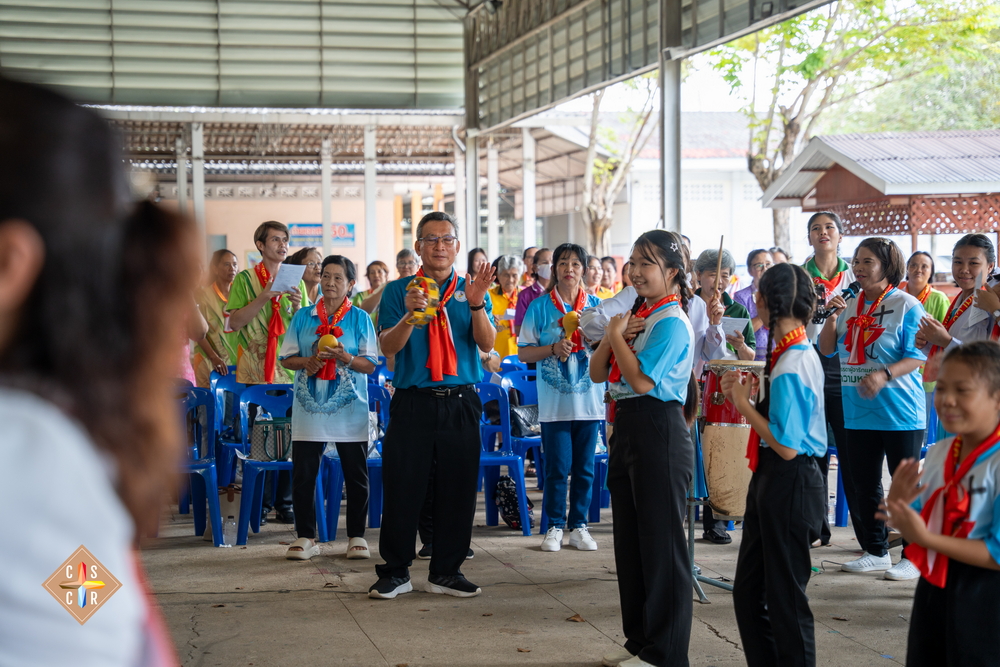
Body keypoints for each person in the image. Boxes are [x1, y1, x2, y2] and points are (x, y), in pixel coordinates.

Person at [0, 76, 193, 665]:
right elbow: (89, 599)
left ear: (6, 263)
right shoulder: (41, 454)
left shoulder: (22, 462)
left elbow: (86, 614)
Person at [369, 212, 496, 600]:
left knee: (458, 488)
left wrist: (477, 304)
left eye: (447, 239)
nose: (439, 246)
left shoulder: (470, 289)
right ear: (418, 247)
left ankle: (446, 571)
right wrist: (411, 315)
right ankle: (395, 572)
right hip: (413, 401)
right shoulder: (399, 290)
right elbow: (387, 348)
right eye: (431, 239)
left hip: (461, 401)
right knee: (403, 486)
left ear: (457, 246)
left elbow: (487, 343)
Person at [590, 230, 698, 667]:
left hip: (659, 427)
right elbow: (598, 373)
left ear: (672, 272)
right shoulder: (639, 314)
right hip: (629, 426)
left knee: (661, 547)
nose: (635, 272)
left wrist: (617, 335)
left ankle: (666, 654)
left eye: (646, 263)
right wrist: (612, 335)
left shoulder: (671, 321)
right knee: (631, 543)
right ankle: (639, 642)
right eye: (632, 262)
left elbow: (639, 380)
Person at [721, 263, 827, 667]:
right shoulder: (788, 352)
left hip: (791, 480)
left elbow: (785, 445)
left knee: (786, 601)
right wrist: (750, 396)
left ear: (763, 300)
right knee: (750, 593)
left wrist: (743, 404)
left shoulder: (793, 361)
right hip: (774, 479)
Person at [879, 341, 1000, 667]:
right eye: (942, 388)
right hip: (935, 587)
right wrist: (899, 507)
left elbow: (996, 554)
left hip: (987, 596)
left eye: (962, 390)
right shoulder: (939, 455)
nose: (947, 400)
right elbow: (919, 526)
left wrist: (926, 537)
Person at [819, 237, 927, 580]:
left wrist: (884, 374)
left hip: (900, 412)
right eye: (856, 261)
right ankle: (876, 551)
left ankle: (914, 555)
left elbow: (917, 356)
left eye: (868, 262)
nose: (859, 268)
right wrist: (832, 317)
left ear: (887, 266)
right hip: (857, 409)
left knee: (904, 485)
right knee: (863, 483)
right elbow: (826, 349)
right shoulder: (850, 303)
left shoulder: (906, 305)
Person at [279, 255, 377, 561]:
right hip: (309, 408)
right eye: (326, 276)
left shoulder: (360, 318)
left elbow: (370, 364)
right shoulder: (303, 317)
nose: (330, 283)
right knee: (304, 474)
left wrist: (346, 358)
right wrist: (307, 362)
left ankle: (356, 536)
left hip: (350, 408)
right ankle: (306, 536)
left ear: (350, 284)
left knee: (356, 474)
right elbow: (287, 359)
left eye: (338, 278)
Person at [518, 243, 606, 552]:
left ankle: (579, 526)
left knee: (585, 469)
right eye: (563, 263)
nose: (569, 269)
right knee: (556, 468)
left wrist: (594, 341)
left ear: (584, 270)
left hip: (590, 402)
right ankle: (554, 526)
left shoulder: (597, 307)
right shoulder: (539, 307)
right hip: (554, 404)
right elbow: (524, 352)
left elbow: (610, 349)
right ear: (554, 269)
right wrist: (553, 349)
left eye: (576, 264)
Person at [226, 221, 307, 525]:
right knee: (260, 440)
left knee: (290, 439)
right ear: (260, 245)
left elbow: (305, 329)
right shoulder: (245, 279)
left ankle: (285, 503)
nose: (283, 245)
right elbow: (234, 322)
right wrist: (265, 295)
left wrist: (297, 307)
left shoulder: (296, 281)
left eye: (285, 240)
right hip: (256, 372)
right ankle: (259, 503)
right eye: (275, 239)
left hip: (288, 371)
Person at [693, 248, 756, 543]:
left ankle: (716, 520)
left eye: (725, 276)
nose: (719, 281)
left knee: (717, 448)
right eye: (712, 274)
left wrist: (741, 345)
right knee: (692, 449)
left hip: (722, 388)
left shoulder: (738, 310)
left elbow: (750, 356)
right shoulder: (688, 303)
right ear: (698, 276)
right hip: (691, 383)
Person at [804, 211, 855, 547]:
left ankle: (869, 537)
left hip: (847, 364)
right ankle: (816, 528)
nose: (823, 233)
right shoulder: (799, 275)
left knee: (851, 450)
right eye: (816, 228)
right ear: (809, 237)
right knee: (813, 449)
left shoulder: (854, 276)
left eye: (829, 228)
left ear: (840, 235)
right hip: (808, 362)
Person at [918, 234, 999, 383]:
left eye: (973, 263)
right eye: (958, 262)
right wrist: (928, 341)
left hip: (979, 385)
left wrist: (946, 341)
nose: (964, 269)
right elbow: (957, 342)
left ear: (990, 266)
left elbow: (986, 357)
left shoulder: (993, 299)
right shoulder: (961, 299)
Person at [900, 251, 949, 443]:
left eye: (924, 266)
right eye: (913, 265)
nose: (918, 270)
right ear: (906, 269)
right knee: (901, 424)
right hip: (899, 371)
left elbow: (946, 334)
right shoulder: (897, 297)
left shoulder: (939, 298)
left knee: (923, 427)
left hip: (926, 373)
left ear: (931, 272)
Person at [192, 249, 240, 387]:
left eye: (234, 264)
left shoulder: (241, 295)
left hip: (236, 362)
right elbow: (197, 332)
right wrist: (214, 357)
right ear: (215, 269)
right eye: (226, 264)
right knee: (211, 398)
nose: (232, 268)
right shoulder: (203, 296)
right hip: (209, 360)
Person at [732, 249, 774, 362]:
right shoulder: (741, 297)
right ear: (750, 271)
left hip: (778, 354)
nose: (765, 269)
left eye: (768, 264)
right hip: (751, 357)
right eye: (759, 265)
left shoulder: (782, 294)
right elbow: (741, 332)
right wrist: (764, 314)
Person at [489, 254, 525, 358]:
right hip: (496, 354)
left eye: (514, 275)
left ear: (520, 276)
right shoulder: (488, 296)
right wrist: (488, 318)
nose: (510, 279)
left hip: (521, 354)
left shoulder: (526, 296)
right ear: (498, 275)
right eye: (506, 275)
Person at [515, 247, 551, 336]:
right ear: (535, 267)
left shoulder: (561, 291)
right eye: (545, 263)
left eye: (553, 262)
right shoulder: (525, 295)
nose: (550, 266)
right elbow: (518, 329)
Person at [352, 260, 390, 329]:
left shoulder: (392, 295)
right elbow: (355, 318)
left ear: (386, 275)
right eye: (372, 273)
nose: (376, 275)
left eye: (379, 272)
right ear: (368, 276)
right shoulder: (360, 296)